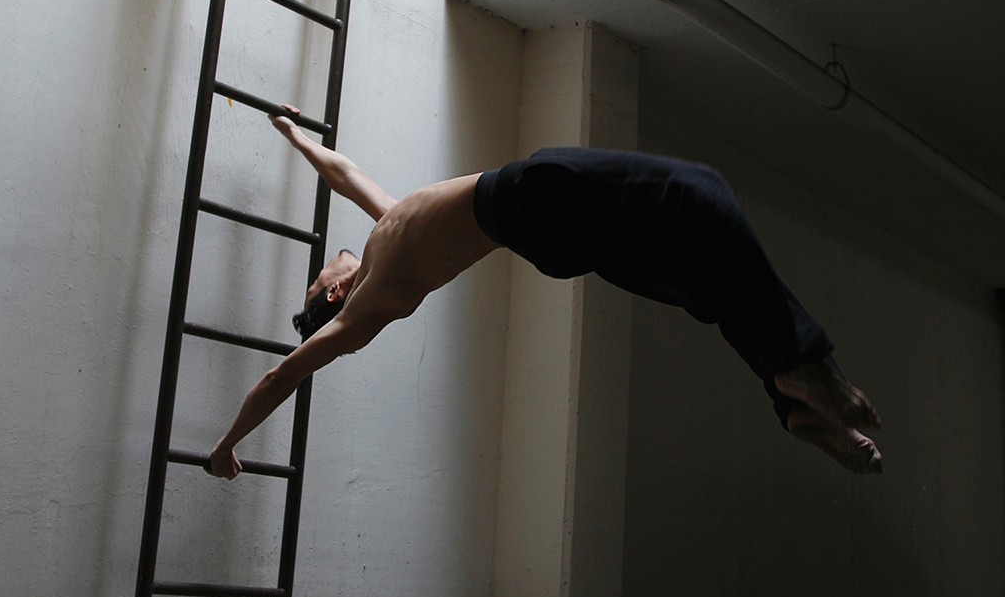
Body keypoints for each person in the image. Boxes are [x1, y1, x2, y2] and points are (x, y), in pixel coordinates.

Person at [206, 107, 882, 480]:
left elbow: (341, 170)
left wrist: (291, 132)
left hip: (551, 234)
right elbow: (280, 377)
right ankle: (801, 365)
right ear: (330, 297)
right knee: (699, 193)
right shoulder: (365, 307)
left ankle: (794, 402)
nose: (325, 264)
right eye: (318, 278)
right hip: (536, 201)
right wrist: (226, 444)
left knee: (697, 272)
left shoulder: (387, 236)